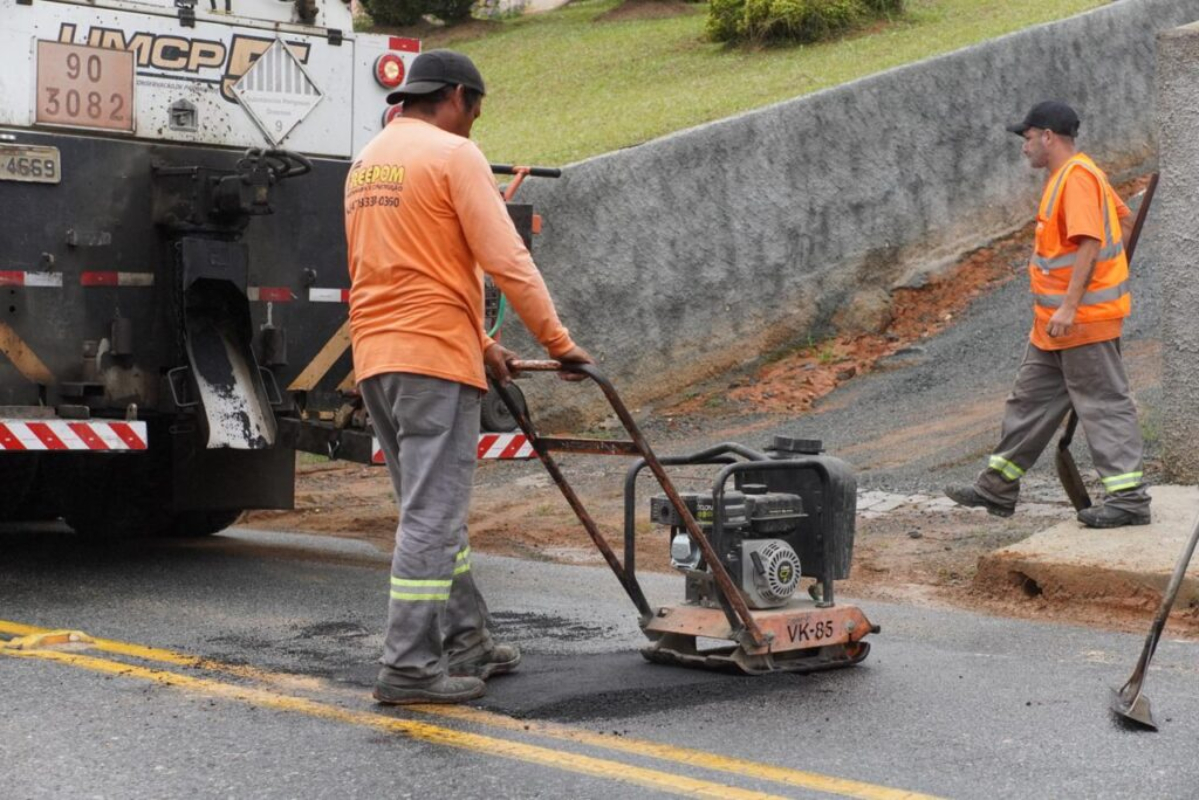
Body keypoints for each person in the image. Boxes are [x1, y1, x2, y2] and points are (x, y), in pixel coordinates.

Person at [344, 49, 593, 704]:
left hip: (378, 359)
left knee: (430, 512)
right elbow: (506, 259)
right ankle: (407, 667)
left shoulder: (368, 162)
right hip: (432, 366)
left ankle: (468, 639)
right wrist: (561, 345)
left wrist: (483, 343)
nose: (472, 126)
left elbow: (404, 271)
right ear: (455, 95)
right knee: (432, 514)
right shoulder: (454, 156)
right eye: (474, 112)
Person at [944, 101, 1150, 529]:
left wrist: (1076, 304)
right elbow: (1124, 225)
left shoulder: (1075, 179)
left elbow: (1091, 241)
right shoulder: (1075, 175)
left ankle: (1128, 500)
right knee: (1030, 400)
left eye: (1028, 137)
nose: (1025, 147)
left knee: (1103, 405)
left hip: (1080, 322)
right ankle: (996, 487)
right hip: (1054, 326)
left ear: (1048, 137)